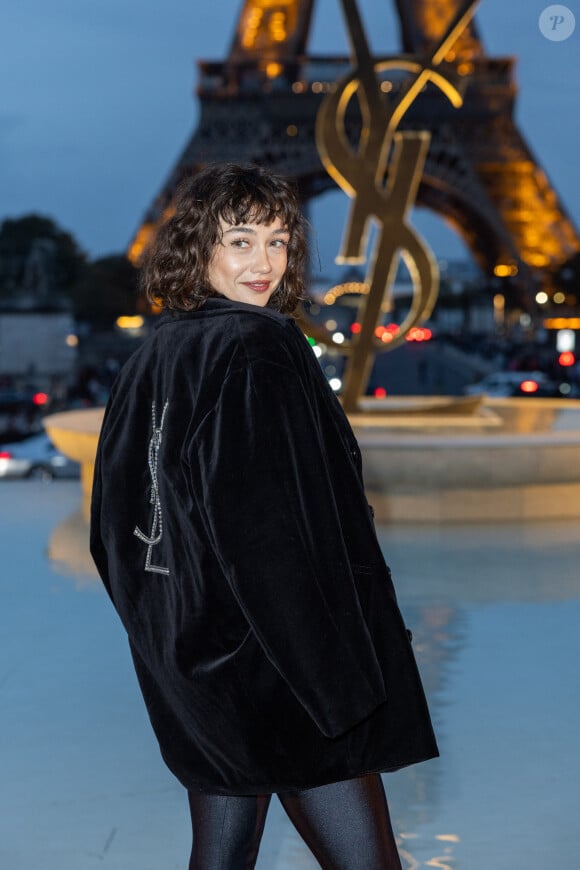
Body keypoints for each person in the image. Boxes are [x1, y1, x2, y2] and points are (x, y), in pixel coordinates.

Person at [90, 163, 438, 869]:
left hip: (198, 668)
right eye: (241, 240)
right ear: (199, 245)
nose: (265, 263)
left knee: (221, 855)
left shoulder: (157, 351)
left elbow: (114, 531)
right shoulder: (259, 345)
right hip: (287, 674)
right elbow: (267, 540)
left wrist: (173, 644)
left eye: (278, 243)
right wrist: (336, 687)